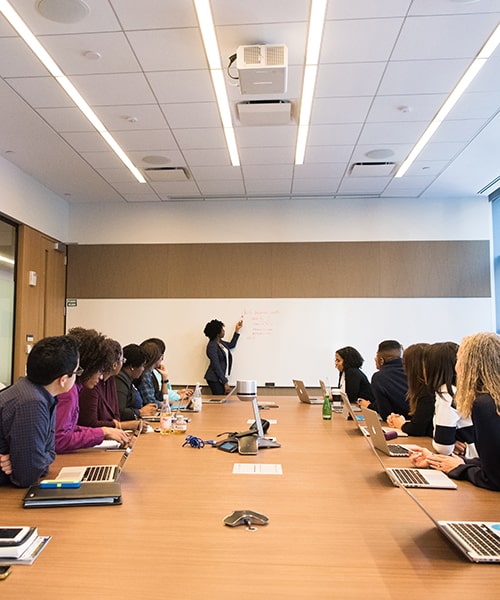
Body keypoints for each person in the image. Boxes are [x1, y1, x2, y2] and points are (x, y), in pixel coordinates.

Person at [413, 333, 500, 491]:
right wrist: (439, 460)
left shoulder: (485, 405)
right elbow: (494, 464)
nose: (456, 367)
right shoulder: (492, 400)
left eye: (459, 360)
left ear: (469, 366)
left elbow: (493, 479)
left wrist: (460, 469)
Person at [0, 335, 79, 487]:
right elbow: (27, 477)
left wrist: (22, 461)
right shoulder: (32, 402)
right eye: (77, 372)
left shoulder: (40, 393)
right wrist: (28, 463)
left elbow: (50, 451)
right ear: (63, 380)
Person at [55, 327, 129, 453]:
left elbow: (69, 428)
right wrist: (102, 432)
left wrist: (104, 432)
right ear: (89, 367)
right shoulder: (69, 391)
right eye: (99, 371)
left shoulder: (74, 387)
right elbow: (59, 439)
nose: (100, 377)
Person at [78, 338, 143, 431]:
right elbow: (90, 423)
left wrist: (118, 426)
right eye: (122, 360)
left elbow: (116, 414)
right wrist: (121, 426)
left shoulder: (111, 379)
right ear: (114, 365)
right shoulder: (91, 383)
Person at [387, 343, 435, 436]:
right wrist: (400, 421)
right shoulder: (426, 389)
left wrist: (401, 424)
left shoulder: (427, 392)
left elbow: (417, 429)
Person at [137, 338, 191, 408]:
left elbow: (162, 397)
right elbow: (150, 403)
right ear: (156, 357)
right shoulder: (145, 375)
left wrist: (164, 378)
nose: (162, 358)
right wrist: (165, 403)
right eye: (161, 355)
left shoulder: (150, 373)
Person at [367, 340, 409, 420]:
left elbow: (385, 413)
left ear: (382, 360)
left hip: (397, 423)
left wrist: (368, 406)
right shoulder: (411, 371)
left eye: (376, 356)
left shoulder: (379, 377)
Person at [115, 343, 156, 421]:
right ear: (132, 367)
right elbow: (120, 411)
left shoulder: (128, 378)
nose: (143, 369)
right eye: (142, 366)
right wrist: (140, 412)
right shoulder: (120, 380)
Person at [204, 318, 243, 395]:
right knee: (220, 401)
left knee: (223, 401)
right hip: (214, 379)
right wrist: (225, 382)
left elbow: (232, 345)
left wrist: (236, 331)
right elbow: (216, 365)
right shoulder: (212, 346)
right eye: (222, 330)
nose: (224, 331)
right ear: (217, 333)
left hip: (220, 378)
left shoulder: (220, 343)